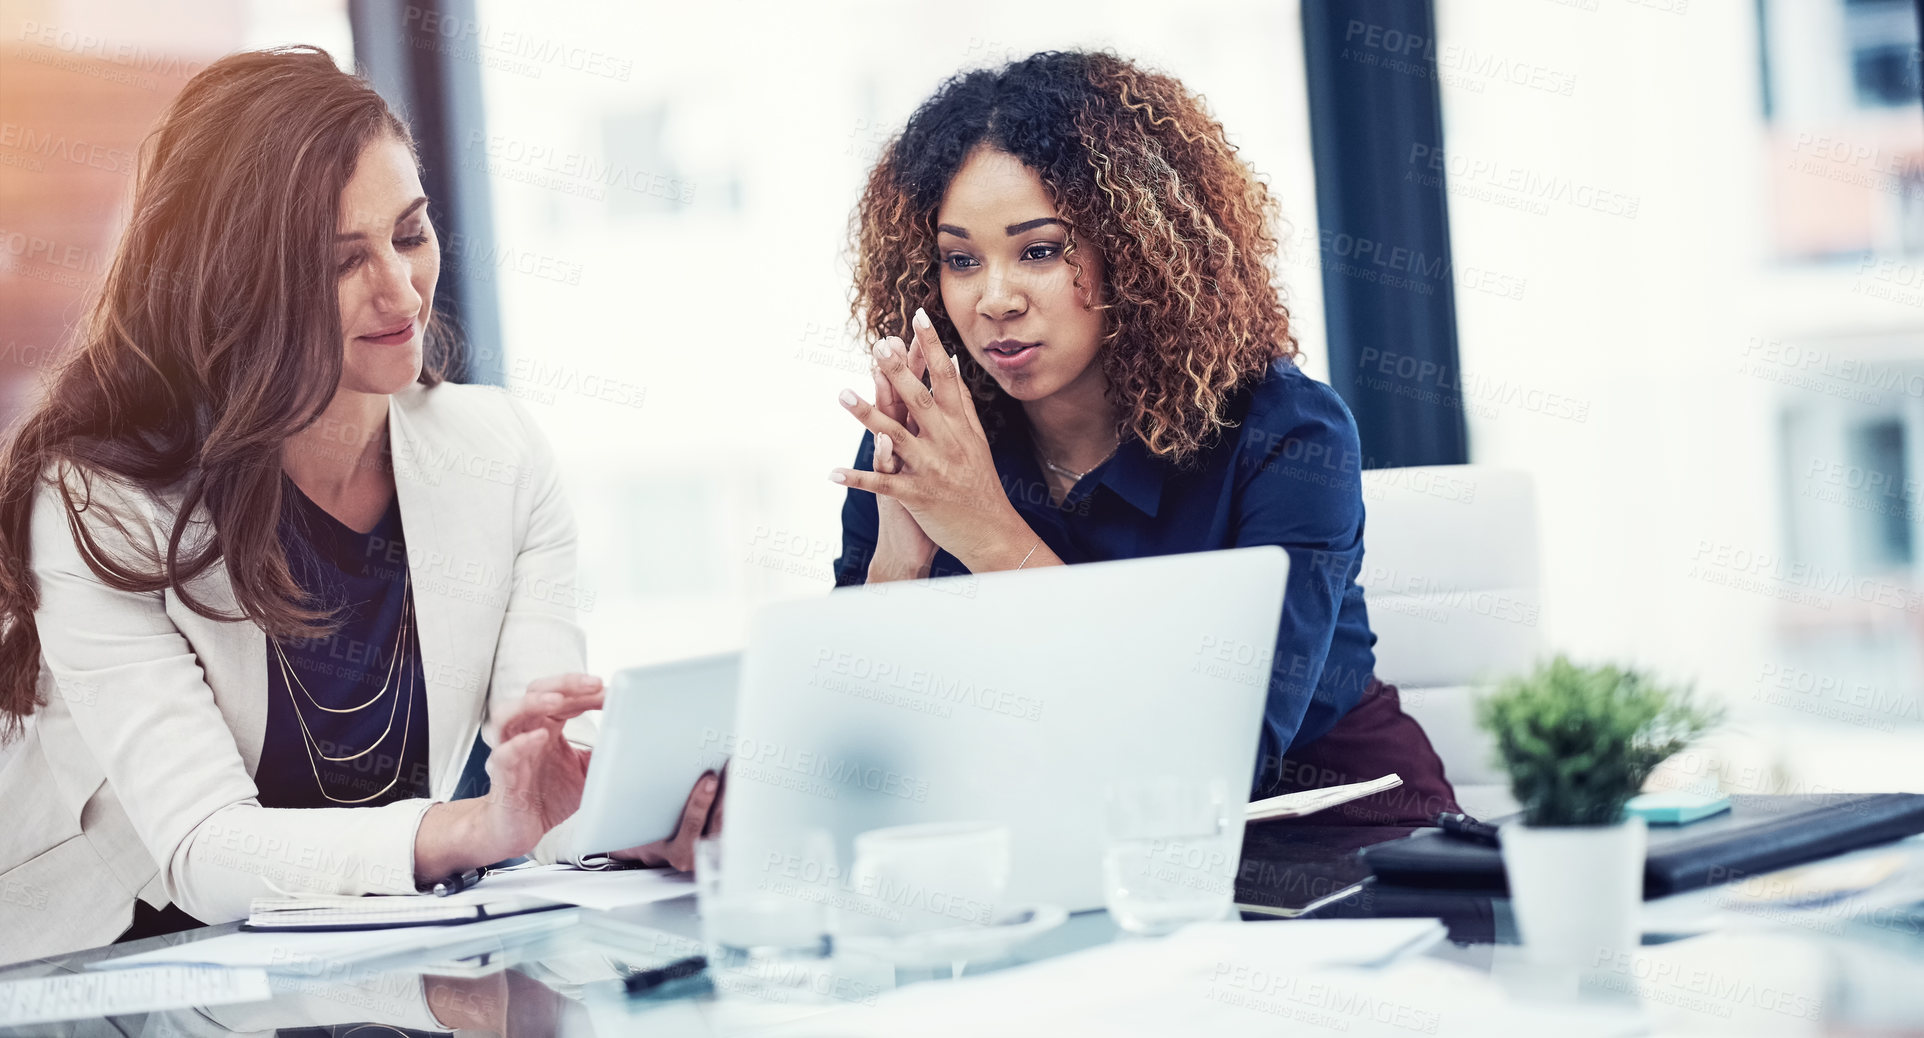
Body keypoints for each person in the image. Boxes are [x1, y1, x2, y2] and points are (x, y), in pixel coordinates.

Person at [0, 47, 713, 965]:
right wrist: (472, 829)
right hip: (113, 971)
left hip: (368, 962)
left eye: (409, 235)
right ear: (240, 284)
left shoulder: (497, 456)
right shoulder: (103, 502)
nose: (400, 288)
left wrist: (632, 815)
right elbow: (203, 852)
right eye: (343, 262)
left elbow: (533, 787)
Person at [829, 50, 1459, 825]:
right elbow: (859, 763)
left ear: (1137, 252)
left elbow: (1213, 760)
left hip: (1323, 837)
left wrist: (989, 533)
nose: (995, 299)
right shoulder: (929, 444)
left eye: (1040, 250)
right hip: (1050, 843)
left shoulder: (1289, 435)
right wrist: (899, 565)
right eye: (961, 260)